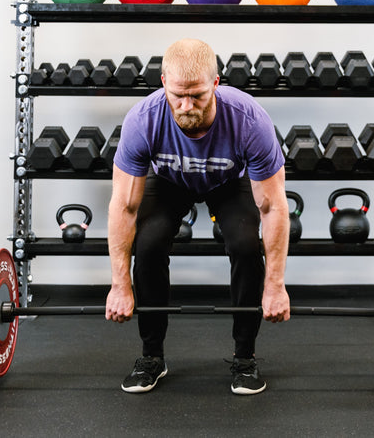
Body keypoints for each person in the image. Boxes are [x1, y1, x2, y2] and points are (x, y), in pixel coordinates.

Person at [105, 38, 291, 395]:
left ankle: (245, 357)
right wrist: (119, 286)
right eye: (178, 95)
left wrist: (276, 287)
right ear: (163, 83)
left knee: (246, 246)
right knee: (148, 244)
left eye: (198, 95)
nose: (187, 105)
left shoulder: (249, 120)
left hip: (228, 181)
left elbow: (273, 207)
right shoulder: (143, 120)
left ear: (216, 84)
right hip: (171, 181)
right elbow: (123, 206)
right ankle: (152, 357)